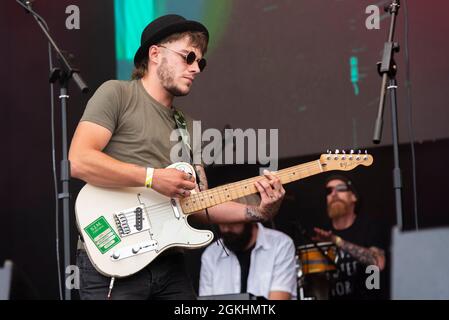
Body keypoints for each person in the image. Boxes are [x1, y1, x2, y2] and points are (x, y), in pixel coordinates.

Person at [68, 14, 285, 300]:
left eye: (200, 62)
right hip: (114, 259)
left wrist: (260, 211)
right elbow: (79, 160)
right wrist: (152, 178)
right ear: (155, 53)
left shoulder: (188, 129)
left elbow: (199, 205)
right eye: (189, 57)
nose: (196, 68)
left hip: (168, 264)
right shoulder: (117, 94)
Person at [312, 174, 388, 299]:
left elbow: (378, 262)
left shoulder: (369, 227)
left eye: (341, 188)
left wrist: (336, 241)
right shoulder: (321, 233)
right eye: (329, 191)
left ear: (354, 196)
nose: (334, 194)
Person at [199, 219, 297, 300]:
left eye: (232, 222)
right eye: (220, 222)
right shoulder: (211, 254)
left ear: (250, 219)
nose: (226, 229)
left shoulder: (280, 244)